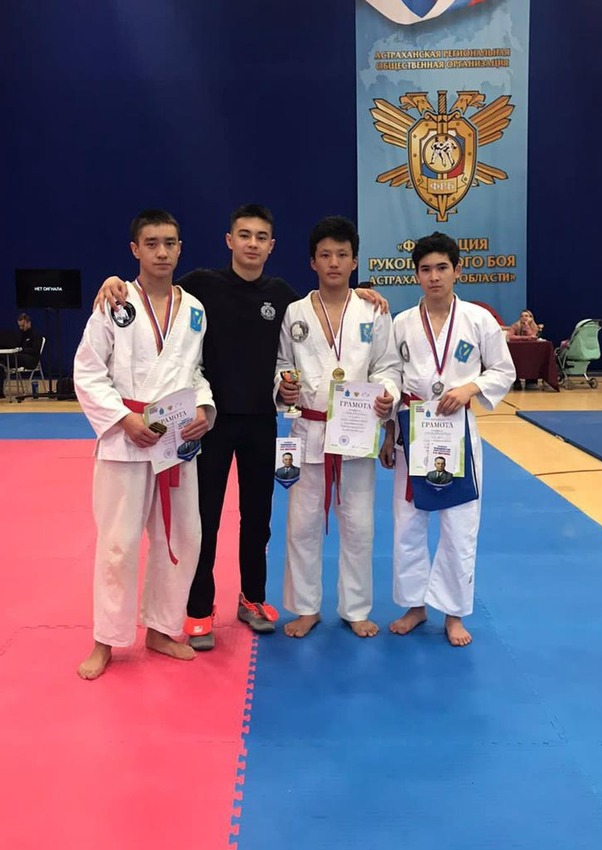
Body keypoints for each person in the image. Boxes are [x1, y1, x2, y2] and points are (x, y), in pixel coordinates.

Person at [95, 204, 390, 651]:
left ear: (272, 246)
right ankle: (198, 609)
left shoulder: (285, 297)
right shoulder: (200, 286)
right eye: (244, 235)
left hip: (261, 421)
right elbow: (156, 287)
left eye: (261, 237)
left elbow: (318, 321)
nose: (252, 244)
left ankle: (252, 598)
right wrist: (114, 282)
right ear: (229, 240)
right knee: (204, 519)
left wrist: (363, 293)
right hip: (207, 423)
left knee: (258, 518)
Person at [73, 209, 215, 680]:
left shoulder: (194, 309)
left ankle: (161, 627)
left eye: (169, 243)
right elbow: (88, 371)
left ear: (180, 248)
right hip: (125, 438)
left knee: (184, 537)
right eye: (151, 243)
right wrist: (123, 418)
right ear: (135, 249)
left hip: (175, 440)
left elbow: (194, 372)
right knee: (118, 543)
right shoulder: (114, 302)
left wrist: (204, 408)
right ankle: (106, 640)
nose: (161, 252)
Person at [379, 232, 515, 646]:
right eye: (426, 270)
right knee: (407, 523)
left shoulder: (478, 319)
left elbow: (503, 370)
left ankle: (454, 612)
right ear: (415, 275)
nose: (434, 277)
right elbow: (391, 376)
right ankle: (415, 605)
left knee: (460, 525)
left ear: (458, 270)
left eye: (442, 268)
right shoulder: (402, 323)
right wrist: (388, 431)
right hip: (412, 429)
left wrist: (470, 388)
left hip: (457, 431)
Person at [276, 216, 398, 639]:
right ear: (312, 261)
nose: (333, 262)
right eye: (325, 255)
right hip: (308, 432)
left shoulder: (373, 310)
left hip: (356, 431)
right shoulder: (295, 312)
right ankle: (305, 607)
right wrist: (283, 386)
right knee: (302, 526)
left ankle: (355, 608)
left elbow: (387, 366)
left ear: (354, 261)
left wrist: (387, 394)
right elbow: (282, 363)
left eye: (342, 255)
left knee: (359, 526)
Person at [0, 313, 42, 399]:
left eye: (23, 325)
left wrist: (22, 349)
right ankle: (0, 391)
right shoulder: (21, 333)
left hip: (31, 359)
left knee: (1, 357)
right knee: (0, 362)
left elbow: (35, 350)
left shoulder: (36, 334)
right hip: (20, 357)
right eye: (19, 326)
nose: (21, 328)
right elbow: (16, 344)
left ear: (28, 323)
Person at [508, 309, 543, 390]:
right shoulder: (515, 325)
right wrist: (525, 338)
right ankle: (517, 382)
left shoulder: (534, 327)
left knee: (533, 360)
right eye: (522, 316)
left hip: (531, 351)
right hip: (517, 350)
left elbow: (532, 337)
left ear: (531, 317)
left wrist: (526, 325)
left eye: (526, 316)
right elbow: (511, 337)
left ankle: (531, 382)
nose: (524, 318)